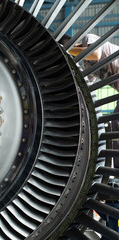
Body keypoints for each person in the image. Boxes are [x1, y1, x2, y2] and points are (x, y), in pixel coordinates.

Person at [64, 34, 119, 239]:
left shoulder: (90, 41)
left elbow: (94, 53)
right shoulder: (86, 64)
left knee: (115, 121)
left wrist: (64, 52)